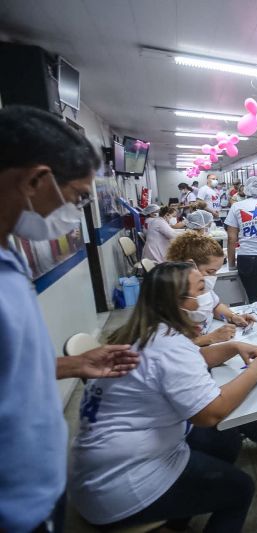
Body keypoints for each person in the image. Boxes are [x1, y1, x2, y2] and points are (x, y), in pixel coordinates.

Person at [0, 105, 140, 533]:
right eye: (79, 197)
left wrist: (68, 365)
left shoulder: (9, 256)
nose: (78, 211)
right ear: (36, 180)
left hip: (40, 484)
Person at [69, 262, 257, 531]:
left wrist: (232, 346)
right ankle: (176, 513)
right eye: (200, 289)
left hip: (98, 471)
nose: (207, 295)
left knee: (224, 439)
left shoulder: (146, 332)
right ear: (178, 302)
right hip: (122, 487)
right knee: (241, 489)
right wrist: (254, 372)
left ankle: (177, 520)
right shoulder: (169, 345)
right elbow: (211, 412)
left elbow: (190, 361)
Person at [165, 234, 257, 454]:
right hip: (183, 414)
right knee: (234, 387)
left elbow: (214, 303)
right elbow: (179, 348)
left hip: (203, 356)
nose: (211, 281)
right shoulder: (170, 305)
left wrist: (232, 317)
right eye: (210, 273)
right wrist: (210, 339)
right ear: (189, 265)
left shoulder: (194, 288)